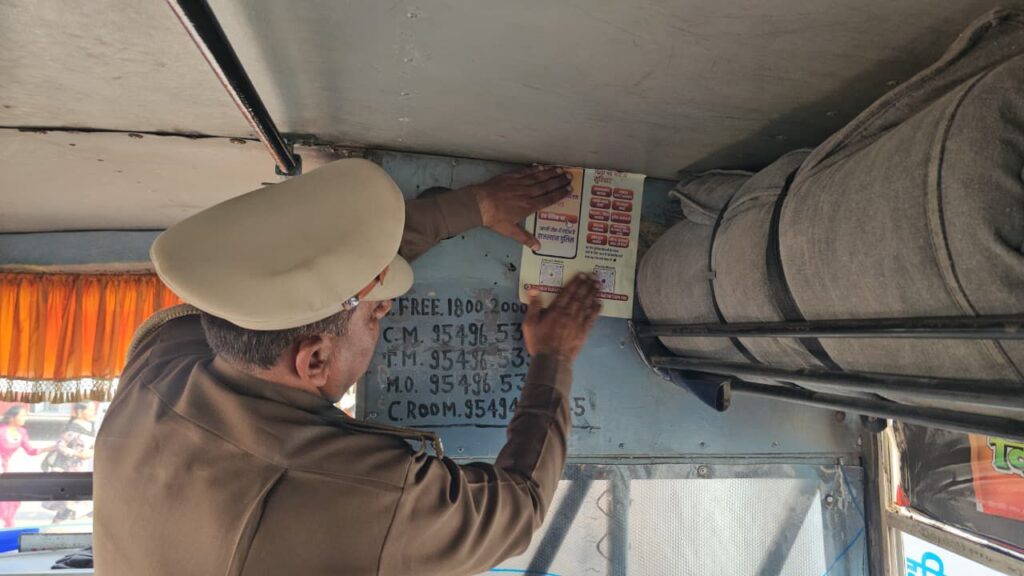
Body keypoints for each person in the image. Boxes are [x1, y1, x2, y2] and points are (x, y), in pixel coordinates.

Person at [94, 159, 602, 575]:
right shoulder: (368, 489)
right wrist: (554, 357)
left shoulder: (161, 364)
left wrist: (475, 207)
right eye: (376, 314)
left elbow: (312, 283)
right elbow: (520, 504)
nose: (386, 308)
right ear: (314, 359)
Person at [41, 402, 96, 523]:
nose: (93, 412)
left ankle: (63, 520)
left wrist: (91, 452)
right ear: (80, 412)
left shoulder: (90, 426)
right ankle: (58, 524)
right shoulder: (72, 428)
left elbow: (93, 446)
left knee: (80, 500)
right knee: (69, 502)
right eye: (91, 410)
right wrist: (77, 454)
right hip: (69, 468)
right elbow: (60, 446)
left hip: (83, 467)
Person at [0, 405, 52, 527]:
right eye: (22, 416)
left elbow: (31, 451)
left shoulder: (22, 432)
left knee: (14, 498)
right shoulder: (1, 431)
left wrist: (50, 448)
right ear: (12, 417)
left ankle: (8, 523)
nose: (25, 418)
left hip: (8, 469)